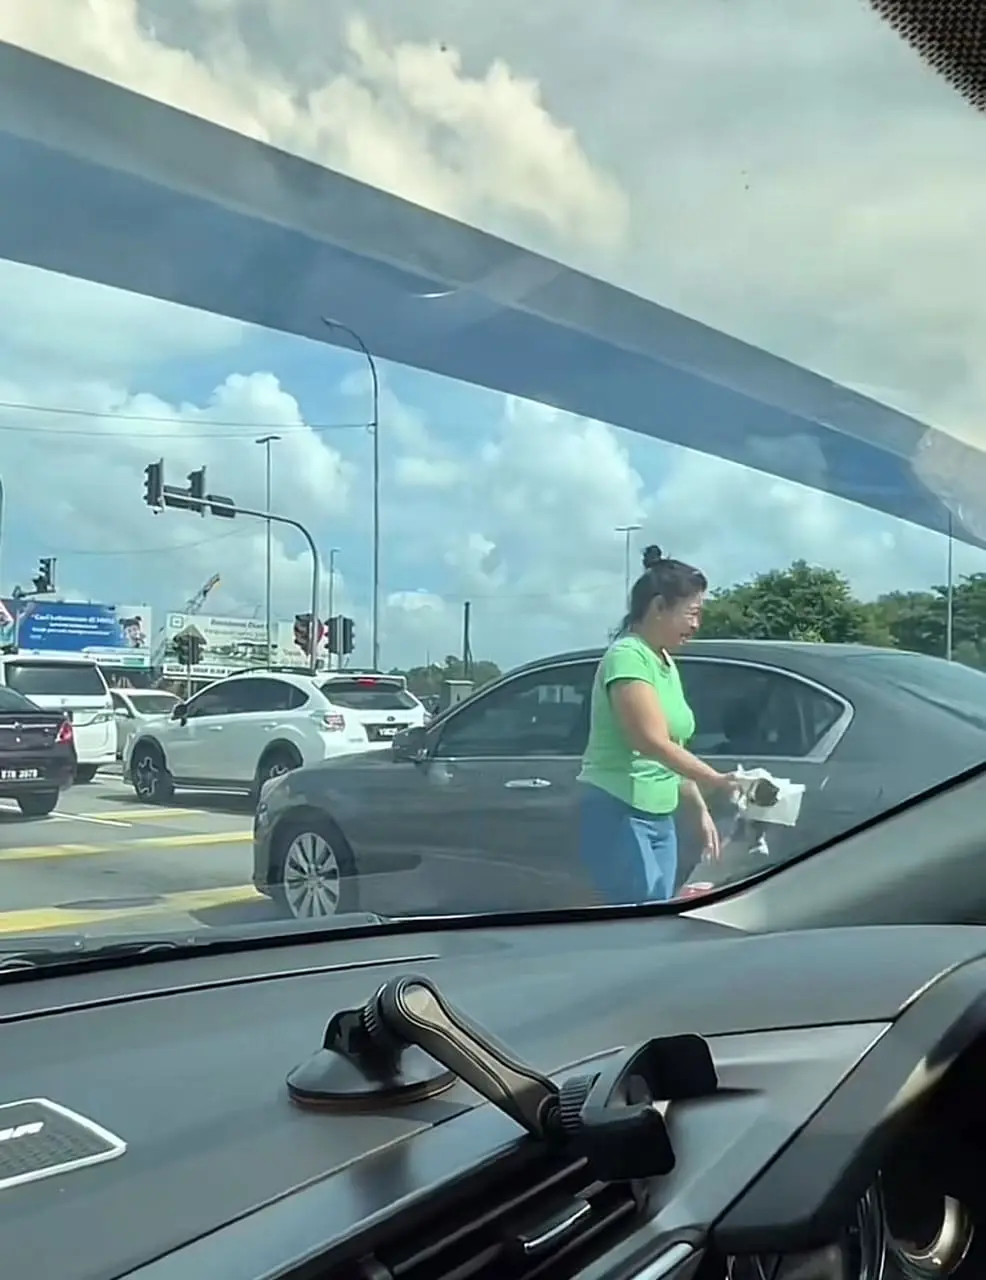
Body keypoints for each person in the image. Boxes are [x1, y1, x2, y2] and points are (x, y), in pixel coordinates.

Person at [577, 544, 737, 904]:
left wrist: (699, 810)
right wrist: (716, 780)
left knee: (656, 910)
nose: (696, 625)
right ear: (659, 607)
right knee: (635, 918)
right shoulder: (628, 657)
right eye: (691, 613)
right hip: (620, 809)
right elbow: (651, 741)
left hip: (659, 813)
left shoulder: (663, 660)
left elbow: (673, 747)